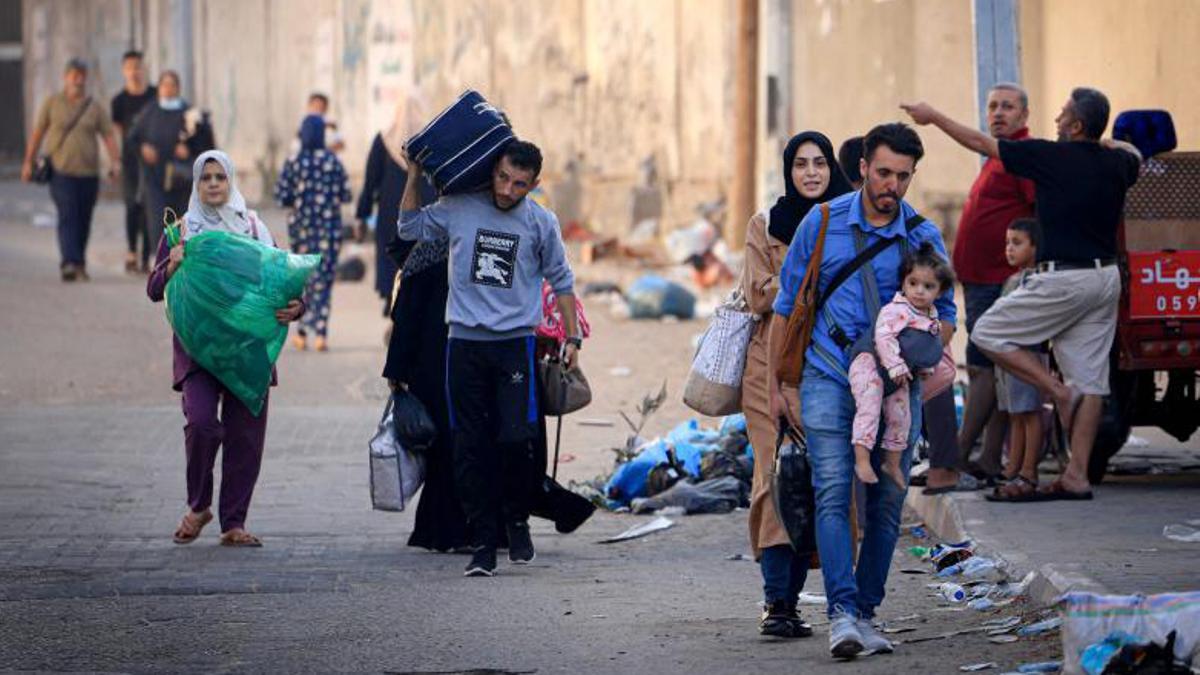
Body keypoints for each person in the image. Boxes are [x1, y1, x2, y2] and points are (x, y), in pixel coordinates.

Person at [766, 123, 957, 659]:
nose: (892, 185)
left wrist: (918, 350)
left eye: (903, 176)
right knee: (832, 489)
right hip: (827, 373)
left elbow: (947, 314)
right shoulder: (822, 222)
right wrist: (779, 385)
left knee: (888, 500)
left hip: (897, 386)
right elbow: (787, 306)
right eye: (884, 173)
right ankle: (842, 614)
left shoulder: (921, 234)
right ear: (863, 168)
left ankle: (867, 612)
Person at [902, 87, 1141, 501]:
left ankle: (1058, 392)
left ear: (1076, 125)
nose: (1057, 120)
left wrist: (933, 116)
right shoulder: (1118, 162)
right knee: (1091, 381)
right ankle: (1077, 476)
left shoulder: (1048, 155)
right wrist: (1109, 142)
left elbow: (980, 143)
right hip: (1104, 280)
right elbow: (1135, 153)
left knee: (988, 332)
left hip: (1063, 279)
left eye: (1063, 114)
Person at [399, 140, 580, 578]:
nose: (507, 189)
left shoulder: (540, 222)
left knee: (516, 440)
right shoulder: (459, 207)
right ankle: (483, 542)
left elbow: (562, 280)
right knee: (468, 446)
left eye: (519, 184)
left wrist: (572, 337)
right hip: (464, 345)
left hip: (515, 345)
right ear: (492, 170)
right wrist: (413, 175)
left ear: (533, 185)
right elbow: (408, 227)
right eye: (502, 177)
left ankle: (516, 520)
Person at [146, 150, 305, 547]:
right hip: (198, 350)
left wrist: (297, 306)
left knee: (245, 438)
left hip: (247, 350)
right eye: (206, 177)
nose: (214, 184)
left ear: (231, 181)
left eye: (220, 177)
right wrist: (172, 265)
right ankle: (199, 505)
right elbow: (153, 289)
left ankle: (234, 523)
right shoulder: (181, 232)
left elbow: (282, 279)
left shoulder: (253, 228)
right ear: (197, 184)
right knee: (201, 424)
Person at [742, 131, 852, 638]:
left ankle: (829, 601)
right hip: (768, 364)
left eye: (820, 163)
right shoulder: (766, 224)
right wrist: (808, 264)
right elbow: (758, 294)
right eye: (801, 164)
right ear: (788, 171)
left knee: (823, 482)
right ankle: (778, 603)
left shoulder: (849, 223)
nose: (811, 172)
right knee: (774, 478)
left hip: (829, 365)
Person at [952, 83, 1037, 486]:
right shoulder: (997, 156)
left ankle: (955, 456)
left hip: (997, 280)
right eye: (992, 107)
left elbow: (1036, 211)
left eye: (1007, 107)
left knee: (984, 367)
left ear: (1024, 116)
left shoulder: (1021, 156)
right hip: (979, 279)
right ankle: (987, 459)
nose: (998, 113)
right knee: (993, 370)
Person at [850, 243, 953, 488]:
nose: (919, 291)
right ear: (903, 283)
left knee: (901, 417)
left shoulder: (930, 316)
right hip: (870, 363)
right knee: (869, 405)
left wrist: (924, 368)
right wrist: (895, 365)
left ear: (940, 291)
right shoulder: (896, 310)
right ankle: (862, 461)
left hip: (900, 374)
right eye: (913, 283)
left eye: (928, 286)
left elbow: (923, 347)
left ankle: (893, 463)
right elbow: (883, 336)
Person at [21, 58, 121, 282]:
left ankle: (79, 262)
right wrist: (28, 162)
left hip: (89, 173)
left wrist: (115, 163)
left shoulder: (94, 107)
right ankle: (69, 262)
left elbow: (108, 135)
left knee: (84, 218)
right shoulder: (53, 103)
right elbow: (38, 134)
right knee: (68, 215)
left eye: (81, 75)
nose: (78, 79)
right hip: (61, 172)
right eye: (74, 75)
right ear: (66, 77)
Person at [274, 115, 352, 351]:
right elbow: (346, 194)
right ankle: (321, 334)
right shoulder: (333, 161)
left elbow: (281, 197)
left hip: (301, 232)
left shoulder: (293, 161)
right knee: (324, 281)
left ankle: (301, 332)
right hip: (329, 231)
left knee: (304, 280)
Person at [356, 103, 438, 316]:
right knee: (419, 254)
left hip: (391, 210)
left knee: (392, 254)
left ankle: (392, 300)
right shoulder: (432, 139)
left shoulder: (384, 140)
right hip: (425, 207)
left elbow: (371, 179)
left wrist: (362, 215)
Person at [986, 218, 1046, 501]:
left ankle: (1029, 470)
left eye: (1017, 243)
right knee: (1016, 413)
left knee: (1030, 413)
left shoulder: (1037, 281)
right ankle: (1013, 467)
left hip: (1027, 354)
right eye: (1007, 243)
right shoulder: (1013, 279)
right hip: (1007, 356)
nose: (1009, 249)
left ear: (1035, 247)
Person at [128, 71, 193, 269]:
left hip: (181, 178)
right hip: (154, 177)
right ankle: (159, 260)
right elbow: (133, 138)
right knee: (157, 219)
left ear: (178, 88)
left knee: (181, 221)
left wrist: (188, 149)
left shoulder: (188, 113)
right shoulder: (150, 112)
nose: (168, 89)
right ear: (159, 89)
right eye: (164, 85)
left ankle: (180, 260)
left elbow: (204, 141)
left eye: (172, 85)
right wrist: (143, 148)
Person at [110, 50, 157, 274]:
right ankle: (131, 251)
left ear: (143, 68)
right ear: (123, 71)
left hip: (152, 161)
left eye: (137, 67)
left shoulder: (154, 96)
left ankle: (147, 255)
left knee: (149, 206)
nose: (134, 72)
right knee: (132, 206)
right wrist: (116, 161)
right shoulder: (119, 101)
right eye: (129, 68)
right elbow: (117, 132)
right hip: (130, 160)